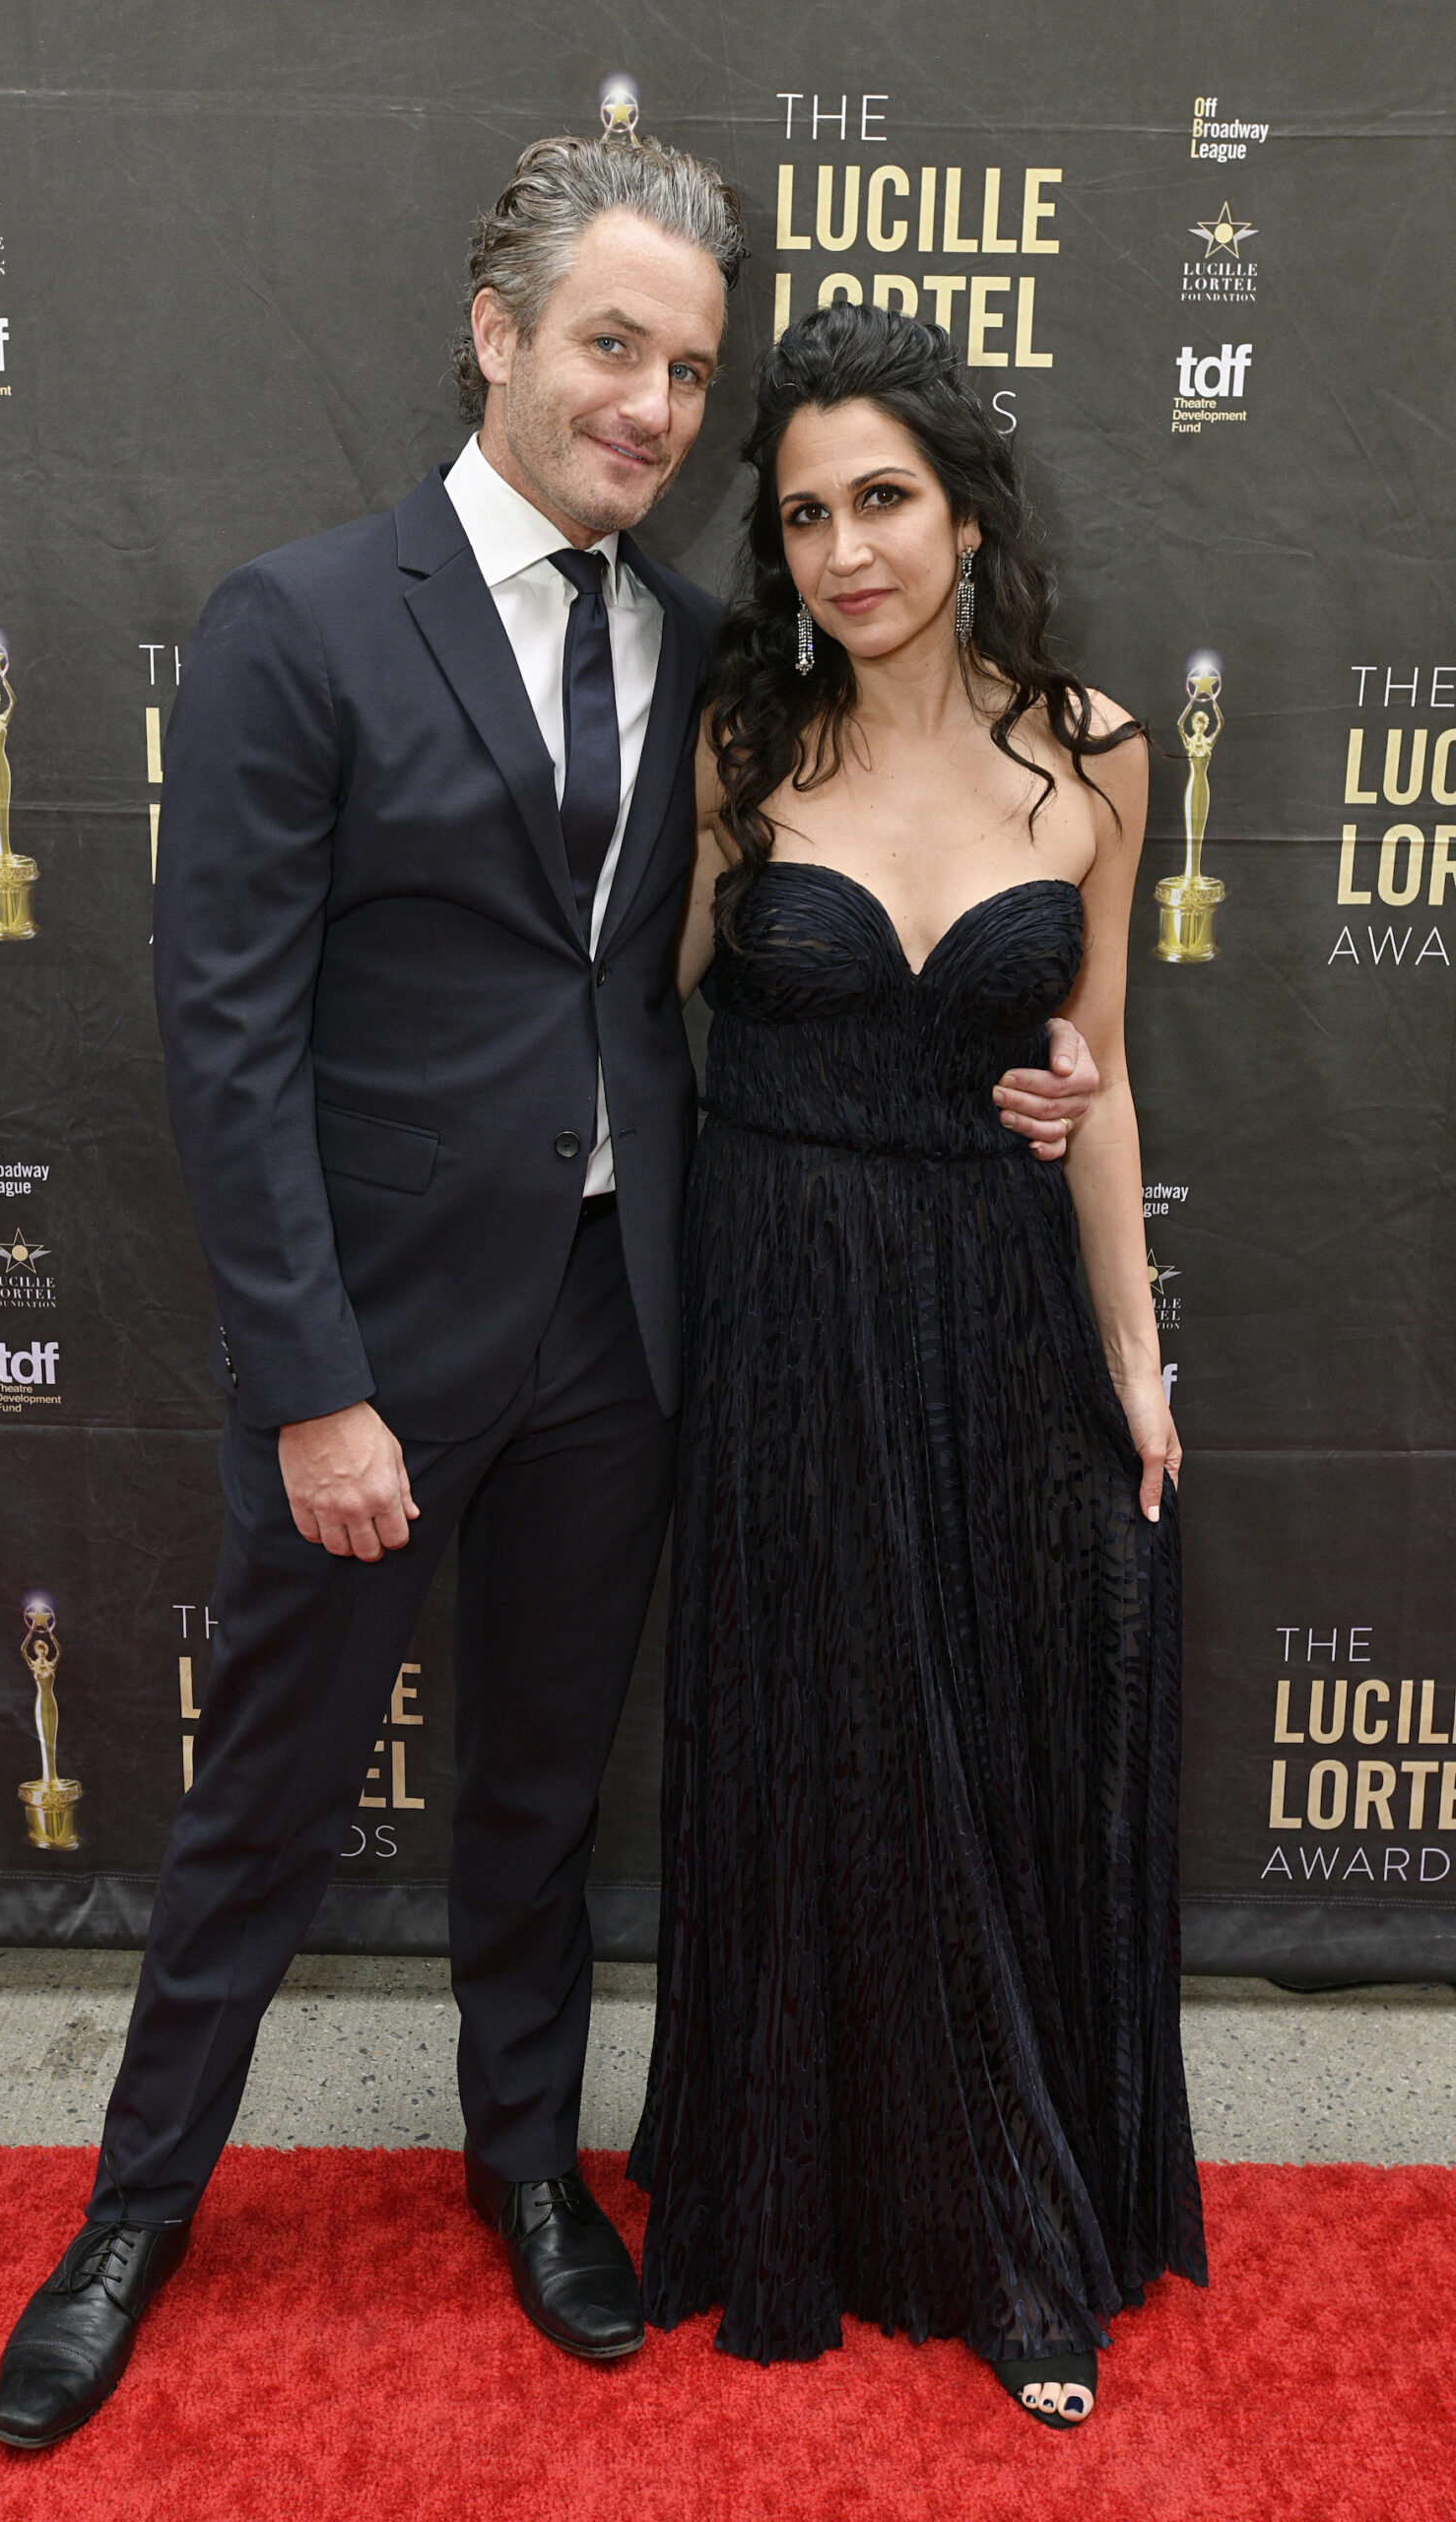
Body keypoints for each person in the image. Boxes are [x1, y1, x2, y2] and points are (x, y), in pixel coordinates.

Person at [0, 146, 1094, 2449]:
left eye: (689, 369)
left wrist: (1046, 1052)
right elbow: (226, 1034)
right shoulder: (298, 620)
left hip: (626, 1325)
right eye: (614, 345)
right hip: (370, 1347)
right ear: (493, 331)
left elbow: (862, 886)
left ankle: (525, 2167)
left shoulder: (709, 645)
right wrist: (311, 1384)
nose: (655, 406)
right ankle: (130, 2208)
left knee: (536, 1796)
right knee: (264, 1803)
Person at [629, 302, 1207, 2429]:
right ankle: (820, 2189)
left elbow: (1105, 1075)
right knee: (821, 1744)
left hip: (986, 1305)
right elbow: (639, 1008)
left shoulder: (1099, 752)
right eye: (800, 515)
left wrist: (1132, 1362)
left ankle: (1012, 2228)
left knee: (975, 1752)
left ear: (963, 511)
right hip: (784, 1306)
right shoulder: (739, 746)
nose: (844, 549)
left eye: (882, 499)